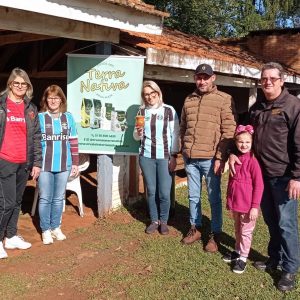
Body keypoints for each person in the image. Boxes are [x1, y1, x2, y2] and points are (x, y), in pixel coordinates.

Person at [229, 62, 300, 291]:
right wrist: (232, 152)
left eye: (272, 78)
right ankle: (274, 258)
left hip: (284, 176)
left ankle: (289, 269)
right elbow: (243, 135)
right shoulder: (257, 107)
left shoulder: (293, 106)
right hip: (260, 176)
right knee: (270, 220)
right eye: (264, 78)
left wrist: (297, 177)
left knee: (286, 223)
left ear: (282, 80)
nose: (267, 82)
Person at [180, 63, 236, 252]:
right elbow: (183, 127)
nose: (201, 81)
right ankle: (195, 227)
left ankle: (215, 233)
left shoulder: (223, 99)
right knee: (193, 196)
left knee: (214, 198)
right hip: (191, 158)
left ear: (213, 78)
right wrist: (183, 149)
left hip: (211, 159)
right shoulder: (188, 99)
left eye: (205, 77)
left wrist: (220, 157)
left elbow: (229, 130)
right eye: (198, 77)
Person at [0, 68, 41, 259]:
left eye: (23, 83)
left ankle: (11, 235)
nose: (20, 86)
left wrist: (36, 163)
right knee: (5, 203)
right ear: (10, 84)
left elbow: (36, 138)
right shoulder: (1, 105)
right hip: (5, 160)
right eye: (16, 83)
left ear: (28, 86)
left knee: (16, 202)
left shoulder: (31, 109)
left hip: (23, 162)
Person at [133, 80, 180, 235]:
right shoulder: (141, 112)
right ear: (143, 96)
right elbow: (135, 136)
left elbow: (175, 134)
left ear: (158, 93)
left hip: (165, 156)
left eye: (152, 94)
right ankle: (154, 220)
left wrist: (174, 156)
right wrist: (137, 134)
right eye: (146, 94)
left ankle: (164, 221)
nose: (150, 97)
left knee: (164, 192)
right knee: (151, 191)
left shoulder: (169, 111)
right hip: (146, 156)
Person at [38, 85, 79, 245]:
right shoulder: (40, 118)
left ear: (61, 99)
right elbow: (34, 142)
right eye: (50, 97)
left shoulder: (68, 117)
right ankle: (45, 230)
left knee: (58, 198)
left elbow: (73, 141)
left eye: (56, 97)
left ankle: (56, 227)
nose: (53, 100)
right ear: (46, 100)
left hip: (64, 164)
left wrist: (75, 163)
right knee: (45, 198)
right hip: (44, 165)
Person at [223, 125, 263, 274]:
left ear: (252, 143)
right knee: (238, 229)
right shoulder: (235, 158)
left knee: (246, 232)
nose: (244, 145)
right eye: (240, 142)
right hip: (236, 204)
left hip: (248, 206)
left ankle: (244, 257)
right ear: (235, 142)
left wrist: (254, 206)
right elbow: (232, 183)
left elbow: (259, 186)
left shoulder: (253, 162)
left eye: (247, 142)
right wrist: (230, 201)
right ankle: (237, 250)